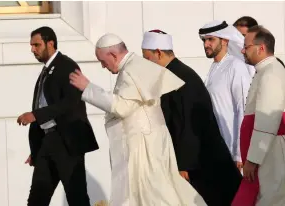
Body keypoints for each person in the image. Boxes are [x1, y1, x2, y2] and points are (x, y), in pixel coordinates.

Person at [69, 33, 207, 206]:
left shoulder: (131, 70)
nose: (103, 67)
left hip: (143, 148)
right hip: (146, 143)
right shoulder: (134, 67)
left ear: (113, 55)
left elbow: (121, 107)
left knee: (153, 195)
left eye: (103, 61)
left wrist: (88, 88)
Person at [141, 29, 242, 205]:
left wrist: (184, 165)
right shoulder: (174, 73)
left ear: (158, 53)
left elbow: (188, 124)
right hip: (197, 160)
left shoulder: (181, 77)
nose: (145, 63)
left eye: (147, 57)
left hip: (202, 162)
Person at [16, 26, 99, 206]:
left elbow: (70, 102)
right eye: (31, 45)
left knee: (76, 197)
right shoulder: (46, 70)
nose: (33, 50)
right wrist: (36, 148)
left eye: (37, 45)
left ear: (50, 43)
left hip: (67, 143)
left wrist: (35, 115)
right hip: (48, 143)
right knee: (37, 198)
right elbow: (45, 105)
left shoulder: (67, 66)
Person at [232, 25, 285, 206]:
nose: (242, 50)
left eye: (246, 46)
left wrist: (253, 159)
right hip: (267, 152)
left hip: (273, 153)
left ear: (261, 48)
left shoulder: (271, 73)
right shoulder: (265, 71)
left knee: (275, 199)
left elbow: (267, 120)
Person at [199, 20, 253, 170]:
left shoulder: (236, 66)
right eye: (204, 40)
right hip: (216, 148)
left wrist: (239, 153)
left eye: (211, 39)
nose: (206, 44)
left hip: (233, 152)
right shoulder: (214, 68)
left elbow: (243, 108)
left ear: (224, 40)